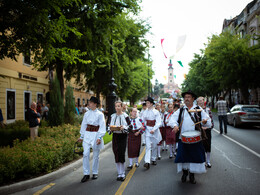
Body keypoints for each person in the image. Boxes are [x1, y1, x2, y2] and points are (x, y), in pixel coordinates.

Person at [169, 90, 211, 184]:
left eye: (189, 97)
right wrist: (175, 126)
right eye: (185, 97)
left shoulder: (199, 109)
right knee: (183, 157)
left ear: (193, 99)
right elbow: (172, 119)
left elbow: (208, 120)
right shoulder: (181, 110)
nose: (186, 99)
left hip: (196, 138)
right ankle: (184, 173)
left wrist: (204, 121)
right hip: (183, 138)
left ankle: (192, 175)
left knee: (194, 157)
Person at [78, 96, 106, 183]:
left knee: (96, 155)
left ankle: (95, 172)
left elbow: (102, 126)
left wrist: (99, 137)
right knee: (85, 153)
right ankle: (86, 174)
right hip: (87, 134)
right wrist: (81, 136)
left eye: (90, 102)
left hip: (95, 134)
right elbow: (84, 125)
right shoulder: (86, 114)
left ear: (94, 104)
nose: (88, 104)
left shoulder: (100, 114)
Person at [107, 101, 132, 181]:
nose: (117, 108)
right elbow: (108, 126)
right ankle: (119, 173)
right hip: (115, 136)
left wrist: (123, 128)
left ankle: (123, 173)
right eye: (116, 106)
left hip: (122, 136)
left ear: (121, 107)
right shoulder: (112, 116)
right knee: (116, 153)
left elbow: (130, 127)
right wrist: (110, 128)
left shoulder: (125, 116)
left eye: (118, 106)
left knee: (121, 153)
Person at [142, 97, 162, 169]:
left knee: (154, 145)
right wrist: (143, 126)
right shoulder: (145, 112)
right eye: (146, 103)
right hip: (147, 130)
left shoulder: (156, 112)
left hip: (154, 130)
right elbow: (143, 120)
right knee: (148, 146)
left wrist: (154, 129)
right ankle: (147, 162)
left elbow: (159, 122)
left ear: (151, 103)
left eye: (148, 103)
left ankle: (153, 158)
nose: (146, 104)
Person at [197, 97, 214, 168]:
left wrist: (209, 127)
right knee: (201, 146)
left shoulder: (208, 110)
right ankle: (202, 161)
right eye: (199, 101)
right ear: (197, 103)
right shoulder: (196, 110)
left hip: (207, 130)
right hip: (199, 131)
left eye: (202, 100)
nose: (201, 102)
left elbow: (211, 121)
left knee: (208, 145)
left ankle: (208, 161)